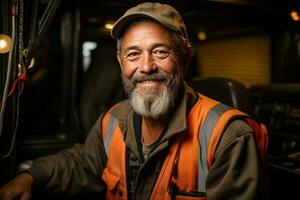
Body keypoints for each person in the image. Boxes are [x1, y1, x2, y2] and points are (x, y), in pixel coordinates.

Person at [0, 2, 268, 200]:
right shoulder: (114, 120)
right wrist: (31, 176)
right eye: (133, 54)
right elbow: (82, 162)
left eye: (160, 52)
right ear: (120, 62)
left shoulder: (229, 136)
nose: (146, 66)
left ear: (185, 57)